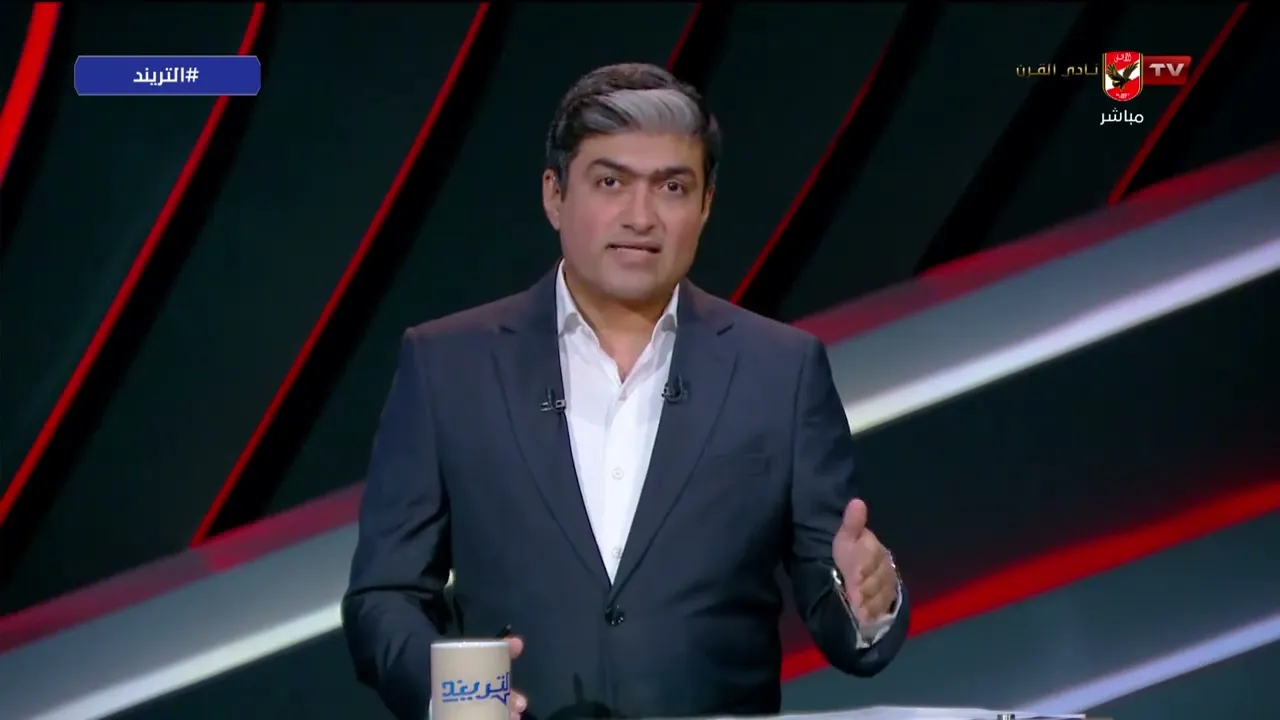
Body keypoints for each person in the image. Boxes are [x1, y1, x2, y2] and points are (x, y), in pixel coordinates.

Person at [342, 63, 909, 720]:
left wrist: (867, 598)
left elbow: (835, 599)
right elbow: (385, 596)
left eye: (672, 187)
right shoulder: (448, 364)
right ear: (555, 195)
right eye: (610, 182)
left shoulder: (781, 370)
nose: (641, 217)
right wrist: (455, 695)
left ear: (705, 205)